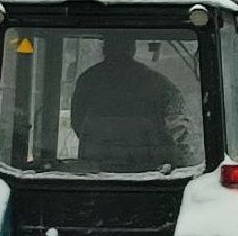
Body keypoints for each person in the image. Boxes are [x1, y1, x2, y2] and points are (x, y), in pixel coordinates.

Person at [70, 34, 194, 171]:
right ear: (132, 49)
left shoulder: (87, 81)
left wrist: (105, 142)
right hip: (148, 170)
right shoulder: (156, 82)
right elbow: (177, 125)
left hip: (93, 170)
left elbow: (77, 122)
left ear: (105, 49)